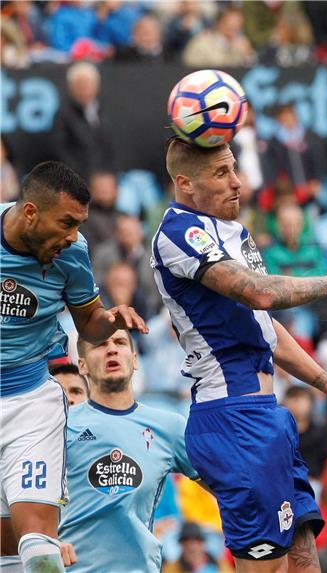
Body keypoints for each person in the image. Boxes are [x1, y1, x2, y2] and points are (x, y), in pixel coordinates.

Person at [152, 137, 327, 572]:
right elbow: (260, 293)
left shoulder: (234, 232)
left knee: (303, 559)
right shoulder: (177, 233)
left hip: (267, 416)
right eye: (222, 173)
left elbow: (267, 330)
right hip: (233, 419)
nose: (238, 182)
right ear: (185, 183)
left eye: (234, 169)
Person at [0, 161, 147, 573]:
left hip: (30, 402)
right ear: (30, 212)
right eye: (66, 222)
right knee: (5, 552)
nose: (72, 236)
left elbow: (89, 322)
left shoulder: (74, 253)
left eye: (79, 224)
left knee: (41, 551)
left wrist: (112, 320)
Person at [58, 330, 200, 573]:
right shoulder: (60, 425)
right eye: (100, 344)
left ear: (135, 359)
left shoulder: (170, 427)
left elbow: (225, 487)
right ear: (82, 365)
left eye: (120, 342)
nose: (112, 349)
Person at [52, 62, 114, 180]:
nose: (85, 89)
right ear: (71, 87)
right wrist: (86, 177)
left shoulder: (103, 111)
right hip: (76, 179)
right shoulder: (62, 115)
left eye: (88, 84)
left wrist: (107, 175)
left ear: (97, 86)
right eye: (80, 85)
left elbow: (108, 148)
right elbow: (60, 152)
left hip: (103, 178)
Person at [163, 522, 234, 573]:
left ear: (202, 544)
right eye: (186, 543)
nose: (191, 547)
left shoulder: (219, 563)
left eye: (196, 542)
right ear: (181, 545)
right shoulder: (172, 568)